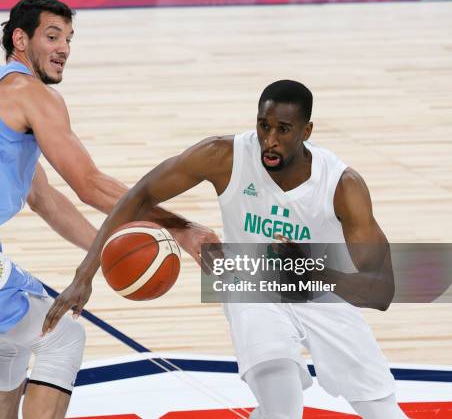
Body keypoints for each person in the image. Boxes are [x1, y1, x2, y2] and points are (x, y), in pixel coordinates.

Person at [0, 0, 217, 419]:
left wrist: (100, 250)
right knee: (62, 337)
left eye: (69, 39)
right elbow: (89, 184)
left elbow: (44, 199)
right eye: (52, 36)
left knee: (15, 338)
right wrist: (180, 228)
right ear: (20, 39)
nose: (64, 48)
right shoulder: (30, 92)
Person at [47, 80, 409, 418]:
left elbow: (382, 291)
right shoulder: (224, 156)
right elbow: (138, 196)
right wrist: (85, 274)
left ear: (306, 132)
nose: (269, 140)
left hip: (323, 294)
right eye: (263, 126)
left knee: (382, 411)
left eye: (283, 130)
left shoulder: (342, 185)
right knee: (282, 404)